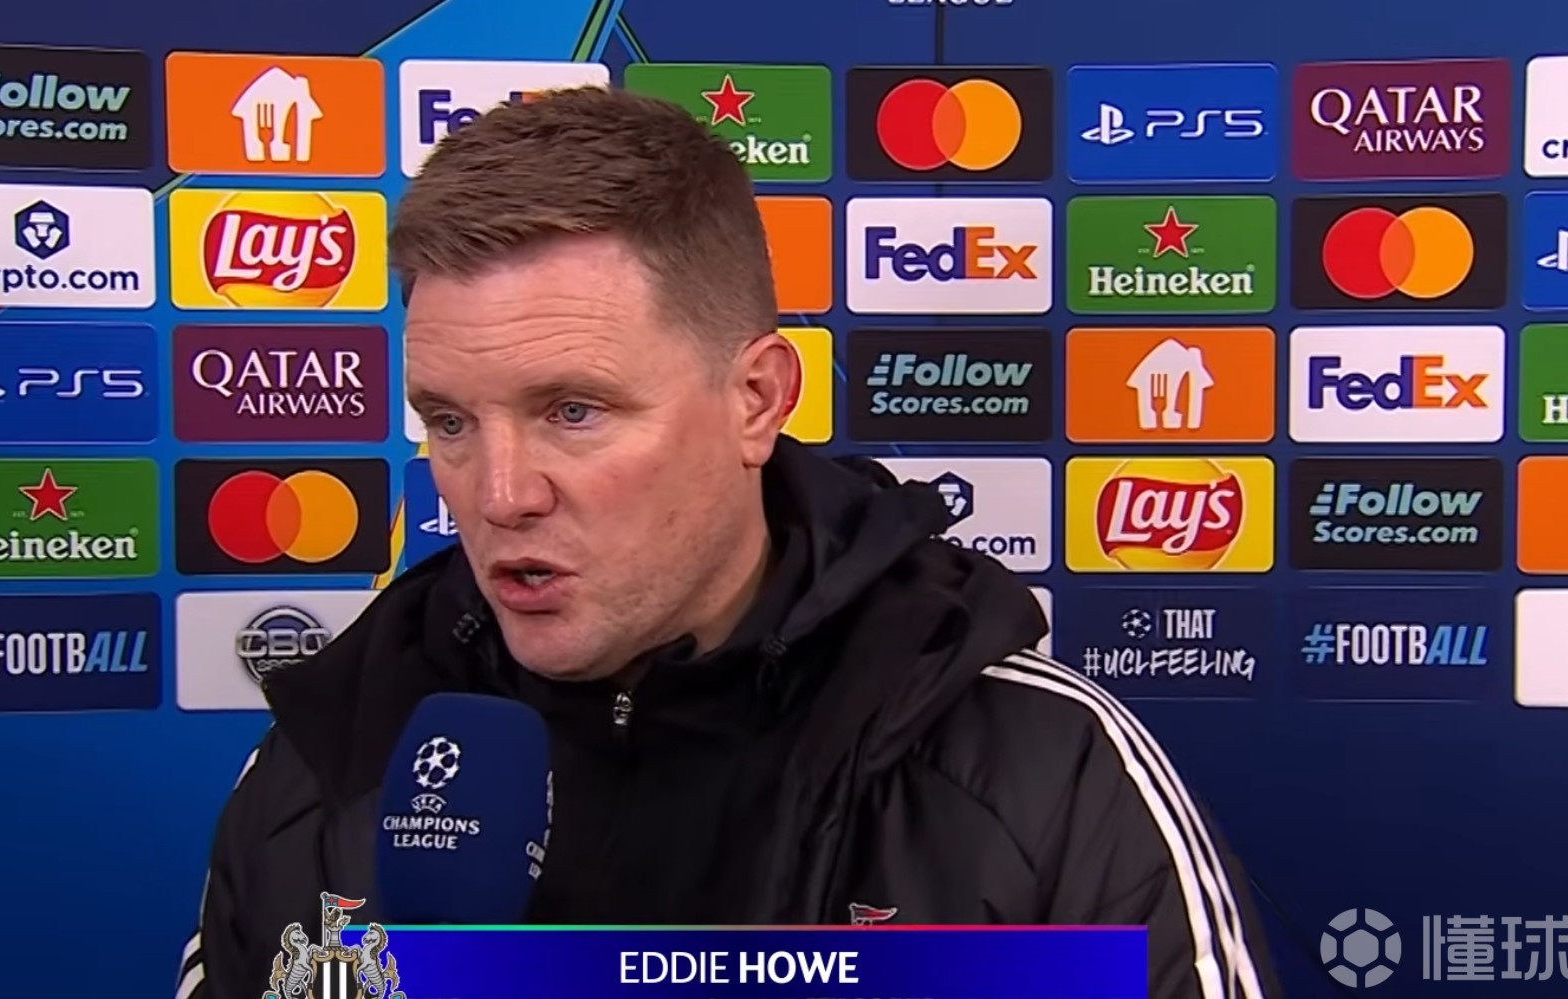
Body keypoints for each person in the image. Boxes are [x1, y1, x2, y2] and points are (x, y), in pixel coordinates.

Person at [176, 85, 1282, 999]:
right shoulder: (330, 757)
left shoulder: (1038, 770)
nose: (500, 495)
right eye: (450, 421)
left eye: (574, 410)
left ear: (757, 398)